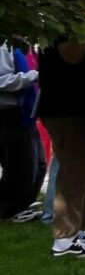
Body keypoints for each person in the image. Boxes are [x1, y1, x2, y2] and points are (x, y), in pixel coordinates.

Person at [37, 38, 85, 257]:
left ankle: (78, 230)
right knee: (75, 173)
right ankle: (64, 238)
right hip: (66, 111)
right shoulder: (62, 28)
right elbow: (71, 55)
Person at [0, 40, 43, 222]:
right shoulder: (4, 47)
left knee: (38, 163)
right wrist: (34, 76)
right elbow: (2, 81)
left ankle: (21, 203)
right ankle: (10, 208)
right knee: (21, 165)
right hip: (9, 112)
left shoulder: (18, 46)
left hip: (24, 111)